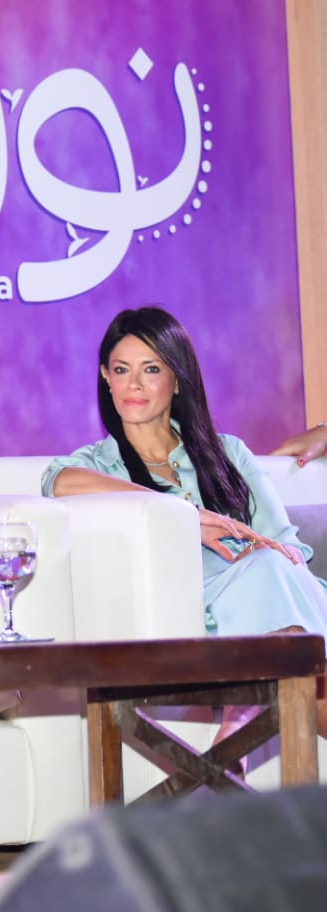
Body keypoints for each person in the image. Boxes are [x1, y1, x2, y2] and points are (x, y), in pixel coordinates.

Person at [43, 305, 327, 740]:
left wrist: (263, 557)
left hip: (276, 598)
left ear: (177, 379)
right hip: (194, 617)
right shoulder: (98, 465)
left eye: (151, 369)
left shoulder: (228, 453)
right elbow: (59, 482)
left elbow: (286, 548)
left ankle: (241, 721)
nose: (134, 384)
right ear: (106, 378)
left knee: (276, 574)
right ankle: (239, 727)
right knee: (282, 600)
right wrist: (183, 514)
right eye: (121, 370)